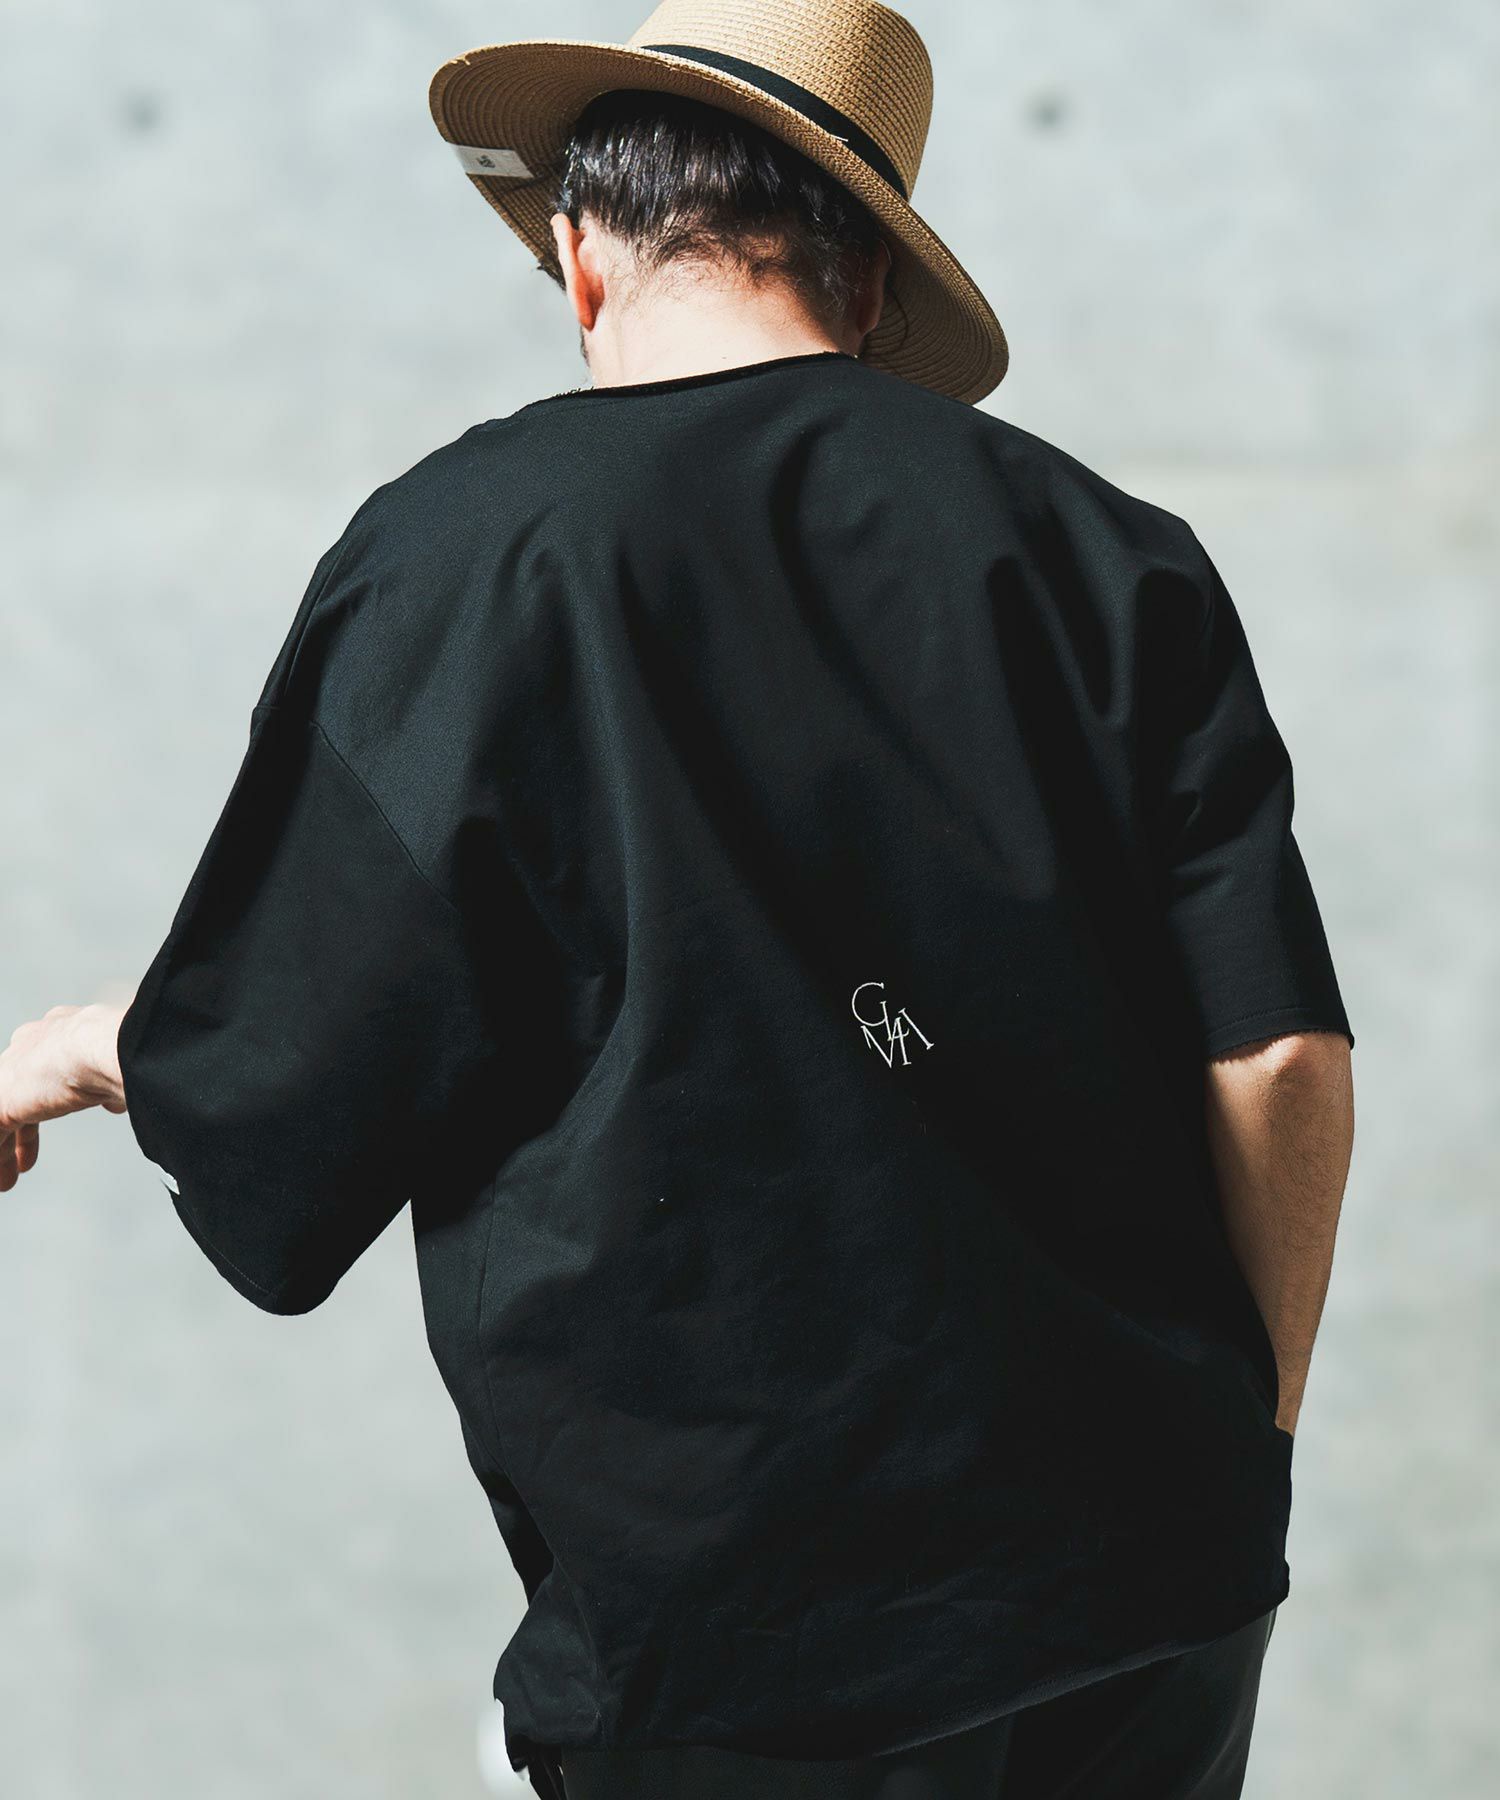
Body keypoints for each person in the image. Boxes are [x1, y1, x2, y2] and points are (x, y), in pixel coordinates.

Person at [0, 2, 1356, 1796]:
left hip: (749, 1635)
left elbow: (292, 1060)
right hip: (1151, 1590)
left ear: (581, 257)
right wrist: (1242, 1446)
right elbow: (1282, 1061)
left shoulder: (471, 551)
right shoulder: (1112, 557)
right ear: (870, 285)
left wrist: (74, 1051)